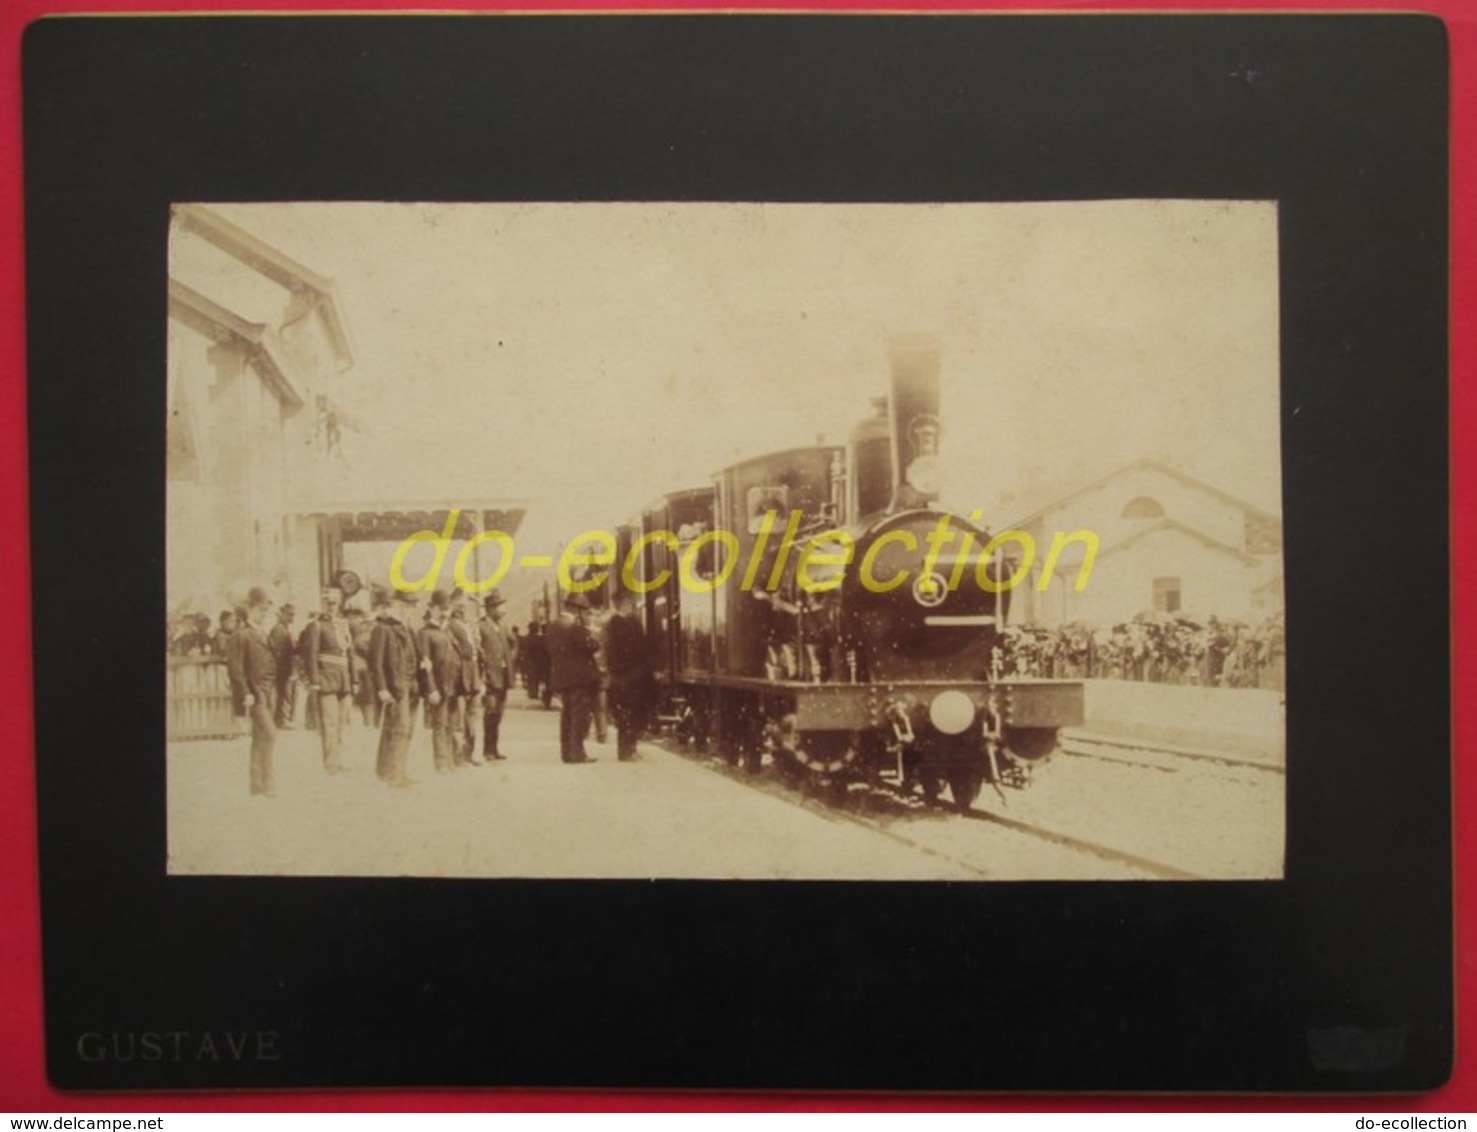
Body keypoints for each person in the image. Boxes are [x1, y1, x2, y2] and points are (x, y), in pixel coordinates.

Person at [369, 590, 421, 788]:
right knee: (399, 729)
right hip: (395, 686)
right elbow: (376, 663)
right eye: (405, 605)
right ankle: (395, 774)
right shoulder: (383, 629)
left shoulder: (405, 628)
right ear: (396, 605)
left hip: (409, 685)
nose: (408, 610)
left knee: (399, 729)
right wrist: (382, 688)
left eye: (411, 606)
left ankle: (388, 770)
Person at [300, 587, 354, 774]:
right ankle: (331, 763)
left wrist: (353, 679)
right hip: (326, 678)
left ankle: (337, 760)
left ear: (339, 603)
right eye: (327, 603)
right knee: (329, 722)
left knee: (340, 723)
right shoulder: (315, 626)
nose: (331, 607)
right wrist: (314, 680)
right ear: (322, 604)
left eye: (334, 603)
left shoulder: (343, 624)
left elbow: (349, 653)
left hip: (343, 678)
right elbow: (311, 655)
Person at [234, 587, 278, 798]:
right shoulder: (241, 635)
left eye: (266, 611)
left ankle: (256, 784)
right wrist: (245, 693)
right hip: (254, 693)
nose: (264, 614)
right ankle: (268, 783)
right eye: (261, 610)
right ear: (249, 608)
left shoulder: (261, 632)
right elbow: (236, 670)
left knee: (260, 737)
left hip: (267, 691)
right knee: (270, 734)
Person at [546, 593, 600, 764]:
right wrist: (590, 629)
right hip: (580, 679)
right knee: (579, 716)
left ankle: (566, 752)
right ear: (577, 610)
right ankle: (577, 753)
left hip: (563, 677)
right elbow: (592, 646)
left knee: (567, 715)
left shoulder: (553, 626)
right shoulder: (575, 628)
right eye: (583, 611)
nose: (584, 614)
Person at [603, 593, 654, 761]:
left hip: (631, 676)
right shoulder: (616, 624)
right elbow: (623, 653)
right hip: (626, 677)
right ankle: (625, 751)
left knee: (631, 714)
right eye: (630, 603)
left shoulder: (625, 622)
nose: (632, 606)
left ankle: (630, 748)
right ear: (623, 603)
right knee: (626, 715)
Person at [417, 590, 459, 774]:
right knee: (440, 726)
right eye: (441, 609)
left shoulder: (447, 631)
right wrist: (431, 688)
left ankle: (450, 761)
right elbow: (425, 664)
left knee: (451, 725)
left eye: (447, 609)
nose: (444, 612)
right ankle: (441, 763)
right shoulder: (425, 633)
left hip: (453, 686)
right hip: (439, 688)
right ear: (432, 608)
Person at [478, 589, 517, 761]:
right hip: (490, 677)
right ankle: (488, 750)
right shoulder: (482, 627)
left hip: (503, 675)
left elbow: (515, 643)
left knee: (499, 713)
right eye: (499, 607)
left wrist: (509, 659)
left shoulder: (503, 626)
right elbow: (478, 651)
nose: (502, 611)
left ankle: (494, 749)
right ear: (490, 609)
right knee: (491, 713)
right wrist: (485, 669)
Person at [446, 589, 483, 766]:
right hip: (460, 675)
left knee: (472, 715)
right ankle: (458, 756)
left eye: (464, 604)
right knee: (458, 717)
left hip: (473, 673)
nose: (462, 607)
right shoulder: (450, 625)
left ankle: (469, 753)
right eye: (459, 604)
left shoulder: (467, 625)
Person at [267, 603, 299, 728]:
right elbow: (279, 652)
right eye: (289, 614)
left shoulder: (286, 629)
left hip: (289, 667)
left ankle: (285, 719)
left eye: (293, 615)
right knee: (284, 694)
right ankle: (283, 720)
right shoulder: (279, 629)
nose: (292, 617)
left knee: (289, 693)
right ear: (282, 615)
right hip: (283, 668)